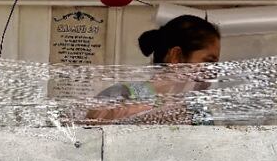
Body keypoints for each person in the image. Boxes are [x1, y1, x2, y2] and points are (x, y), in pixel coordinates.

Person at [87, 15, 221, 122]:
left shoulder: (198, 113)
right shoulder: (118, 99)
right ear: (176, 57)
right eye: (208, 62)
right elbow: (85, 149)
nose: (214, 72)